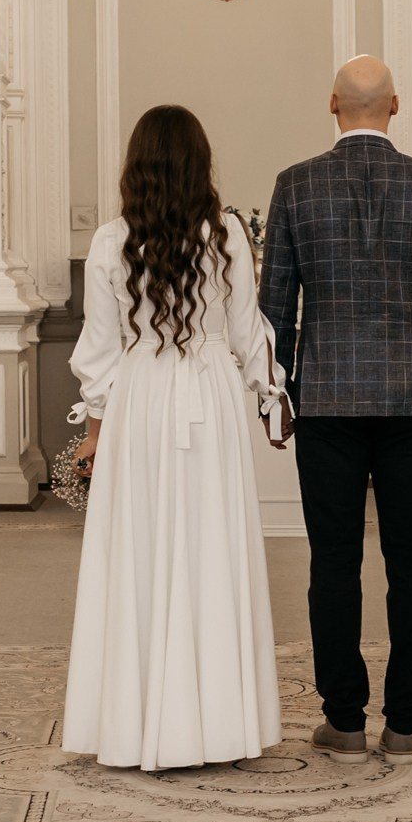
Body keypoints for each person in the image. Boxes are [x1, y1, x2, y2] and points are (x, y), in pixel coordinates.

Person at [258, 56, 412, 761]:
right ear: (396, 105)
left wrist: (278, 394)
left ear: (332, 105)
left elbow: (274, 308)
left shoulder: (296, 185)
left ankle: (344, 720)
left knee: (333, 561)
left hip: (326, 400)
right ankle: (405, 725)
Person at [63, 105, 286, 771]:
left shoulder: (111, 242)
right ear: (200, 163)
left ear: (136, 165)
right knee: (212, 542)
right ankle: (219, 723)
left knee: (140, 546)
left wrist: (95, 432)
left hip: (140, 399)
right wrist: (271, 398)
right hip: (211, 396)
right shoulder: (228, 235)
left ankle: (135, 722)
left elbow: (100, 352)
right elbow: (248, 334)